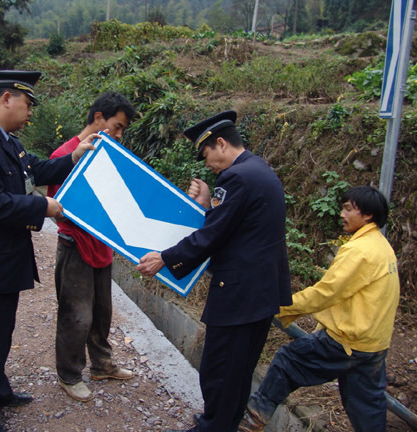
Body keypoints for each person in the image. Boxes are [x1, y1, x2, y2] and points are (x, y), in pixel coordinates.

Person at [0, 70, 97, 432]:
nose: (30, 112)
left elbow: (35, 168)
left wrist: (74, 156)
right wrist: (43, 207)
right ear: (6, 99)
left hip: (3, 263)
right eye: (28, 104)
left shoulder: (6, 141)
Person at [136, 110, 292, 432]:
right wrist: (209, 205)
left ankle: (213, 427)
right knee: (238, 372)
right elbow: (237, 227)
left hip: (239, 296)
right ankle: (224, 424)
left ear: (220, 143)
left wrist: (165, 258)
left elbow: (212, 235)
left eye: (206, 154)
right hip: (261, 294)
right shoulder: (260, 169)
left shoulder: (236, 177)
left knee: (219, 370)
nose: (207, 164)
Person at [238, 186, 400, 432]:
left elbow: (326, 292)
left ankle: (253, 419)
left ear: (367, 215)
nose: (342, 214)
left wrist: (282, 307)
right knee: (366, 405)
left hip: (347, 341)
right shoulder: (382, 247)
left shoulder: (358, 251)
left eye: (348, 209)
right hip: (374, 344)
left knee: (287, 361)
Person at [46, 92, 137, 401]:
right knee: (76, 314)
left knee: (101, 312)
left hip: (102, 247)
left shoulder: (109, 156)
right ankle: (69, 374)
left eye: (122, 129)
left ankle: (102, 364)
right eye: (116, 126)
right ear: (98, 118)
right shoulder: (66, 154)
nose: (119, 134)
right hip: (75, 247)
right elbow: (60, 206)